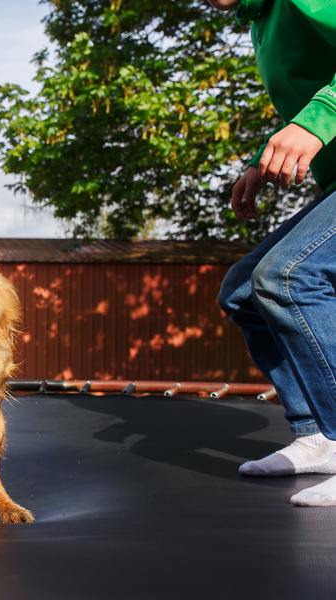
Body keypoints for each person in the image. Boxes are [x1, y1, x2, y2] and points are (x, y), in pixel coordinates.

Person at [214, 0, 336, 505]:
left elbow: (321, 108)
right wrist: (258, 161)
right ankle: (318, 435)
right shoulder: (260, 18)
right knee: (243, 292)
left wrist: (320, 119)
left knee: (288, 277)